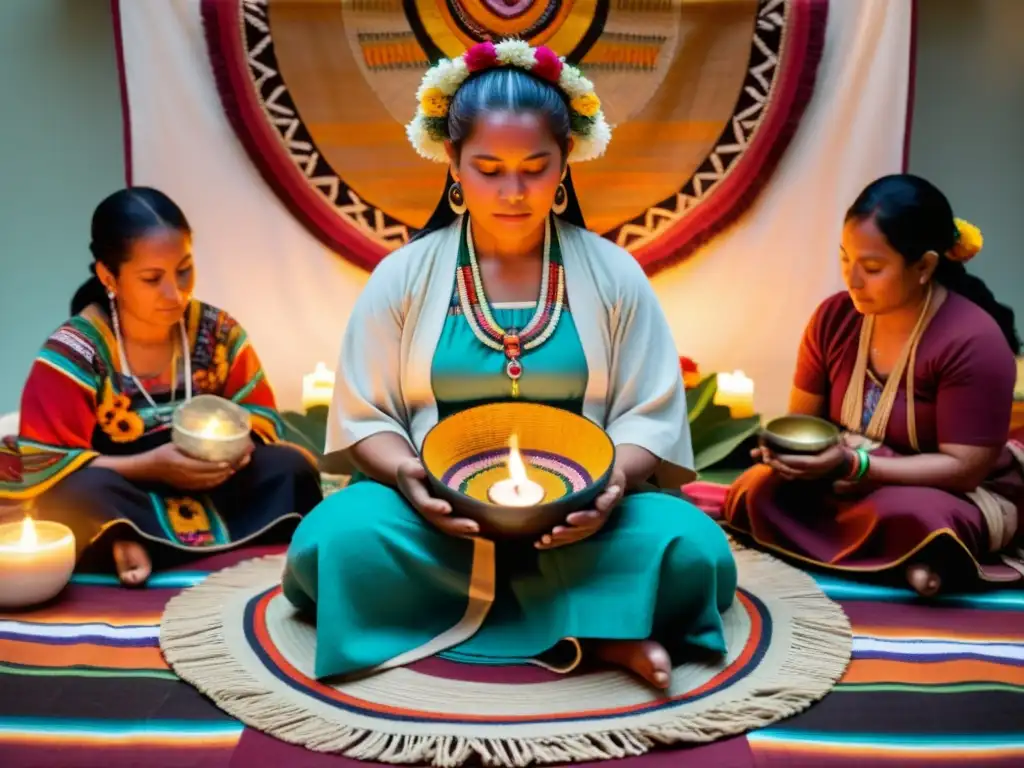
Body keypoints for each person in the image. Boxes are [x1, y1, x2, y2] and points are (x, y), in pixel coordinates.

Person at [283, 40, 737, 689]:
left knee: (693, 546)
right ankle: (599, 625)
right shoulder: (404, 277)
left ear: (565, 163)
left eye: (535, 166)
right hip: (437, 522)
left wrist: (611, 489)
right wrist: (409, 474)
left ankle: (571, 625)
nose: (514, 191)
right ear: (452, 162)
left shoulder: (613, 275)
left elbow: (648, 415)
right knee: (335, 541)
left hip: (582, 524)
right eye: (489, 167)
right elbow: (366, 415)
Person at [0, 188, 323, 586]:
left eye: (184, 269)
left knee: (292, 466)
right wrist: (151, 466)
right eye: (152, 278)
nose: (176, 293)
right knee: (72, 494)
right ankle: (130, 534)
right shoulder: (75, 353)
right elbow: (45, 462)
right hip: (126, 490)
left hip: (216, 485)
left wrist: (237, 453)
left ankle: (141, 541)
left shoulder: (218, 333)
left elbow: (260, 417)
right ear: (108, 277)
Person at [724, 174, 1023, 596]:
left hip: (945, 489)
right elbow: (802, 421)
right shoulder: (833, 318)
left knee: (919, 518)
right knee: (756, 490)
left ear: (924, 266)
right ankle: (903, 563)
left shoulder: (973, 340)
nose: (853, 280)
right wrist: (785, 453)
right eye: (845, 259)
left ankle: (916, 553)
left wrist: (858, 466)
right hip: (844, 474)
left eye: (873, 268)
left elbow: (964, 468)